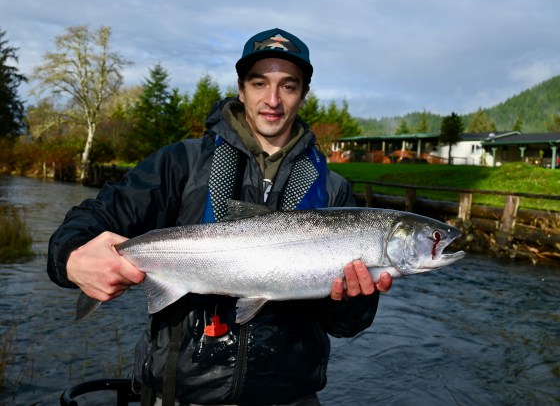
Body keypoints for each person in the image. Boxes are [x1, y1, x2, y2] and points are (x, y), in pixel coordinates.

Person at [47, 28, 393, 406]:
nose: (272, 100)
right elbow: (93, 216)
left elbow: (347, 325)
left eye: (288, 86)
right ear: (241, 88)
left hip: (289, 397)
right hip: (180, 396)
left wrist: (349, 300)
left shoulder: (334, 190)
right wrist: (72, 258)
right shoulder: (181, 163)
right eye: (259, 83)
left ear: (303, 95)